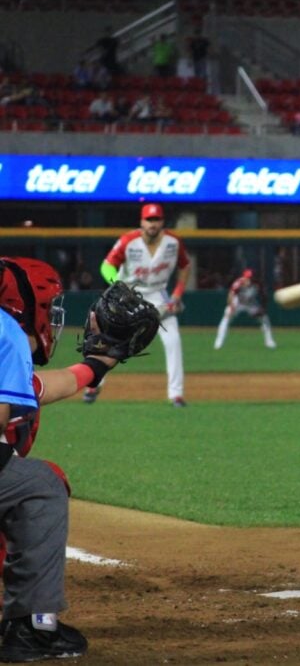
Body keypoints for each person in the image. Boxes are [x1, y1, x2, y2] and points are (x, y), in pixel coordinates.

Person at [0, 257, 122, 662]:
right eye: (47, 306)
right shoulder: (8, 334)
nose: (50, 316)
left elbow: (39, 387)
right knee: (40, 483)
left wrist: (99, 364)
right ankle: (34, 627)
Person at [83, 203, 189, 407]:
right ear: (142, 222)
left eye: (156, 220)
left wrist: (176, 295)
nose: (152, 224)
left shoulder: (173, 242)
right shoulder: (128, 241)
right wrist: (118, 285)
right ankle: (94, 384)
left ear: (162, 222)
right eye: (149, 220)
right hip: (128, 295)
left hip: (159, 294)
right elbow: (106, 266)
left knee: (173, 340)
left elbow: (185, 266)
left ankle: (176, 394)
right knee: (110, 340)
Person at [213, 269, 276, 350]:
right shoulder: (238, 283)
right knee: (226, 315)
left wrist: (263, 308)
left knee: (264, 319)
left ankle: (269, 342)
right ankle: (218, 343)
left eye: (249, 278)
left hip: (250, 303)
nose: (247, 279)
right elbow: (231, 295)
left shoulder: (258, 284)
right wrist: (231, 306)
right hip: (238, 302)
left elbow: (264, 296)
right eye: (246, 277)